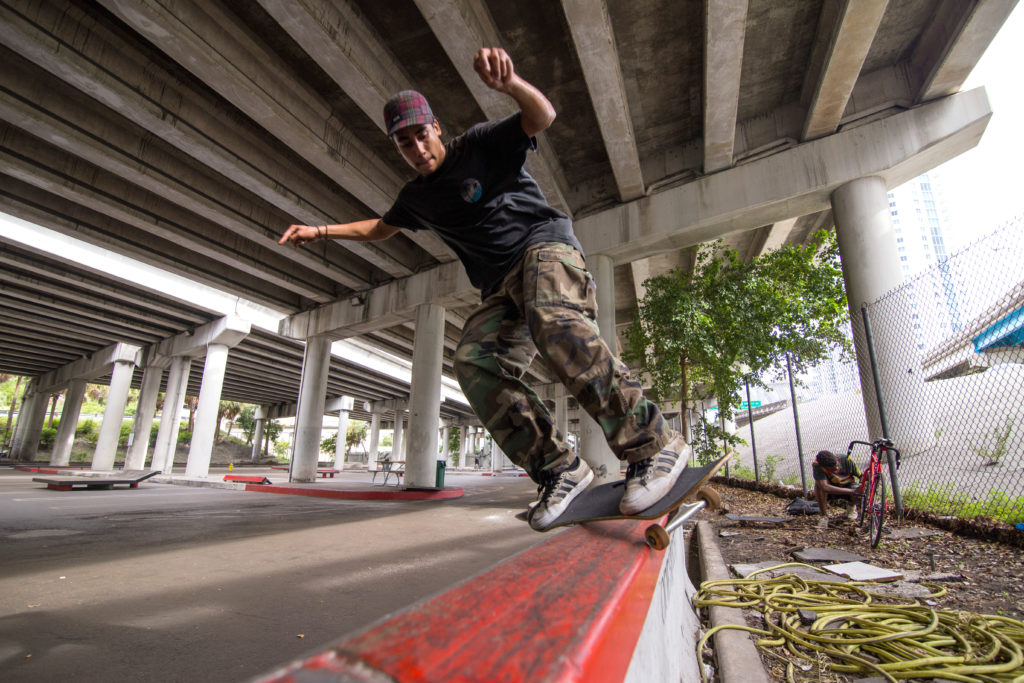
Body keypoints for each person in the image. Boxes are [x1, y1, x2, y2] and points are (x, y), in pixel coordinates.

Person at [279, 47, 689, 530]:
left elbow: (541, 116)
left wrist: (511, 85)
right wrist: (320, 231)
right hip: (500, 288)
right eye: (405, 144)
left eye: (422, 135)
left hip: (545, 249)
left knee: (551, 318)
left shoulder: (478, 144)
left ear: (436, 127)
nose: (418, 149)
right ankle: (560, 467)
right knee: (472, 362)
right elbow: (381, 228)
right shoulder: (417, 197)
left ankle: (653, 443)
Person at [811, 449, 861, 522]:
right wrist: (851, 491)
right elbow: (824, 487)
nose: (837, 468)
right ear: (825, 467)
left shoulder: (845, 459)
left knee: (856, 488)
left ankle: (851, 508)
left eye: (837, 465)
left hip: (847, 484)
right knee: (819, 486)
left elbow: (860, 475)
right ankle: (824, 516)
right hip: (831, 488)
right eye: (833, 469)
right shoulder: (817, 465)